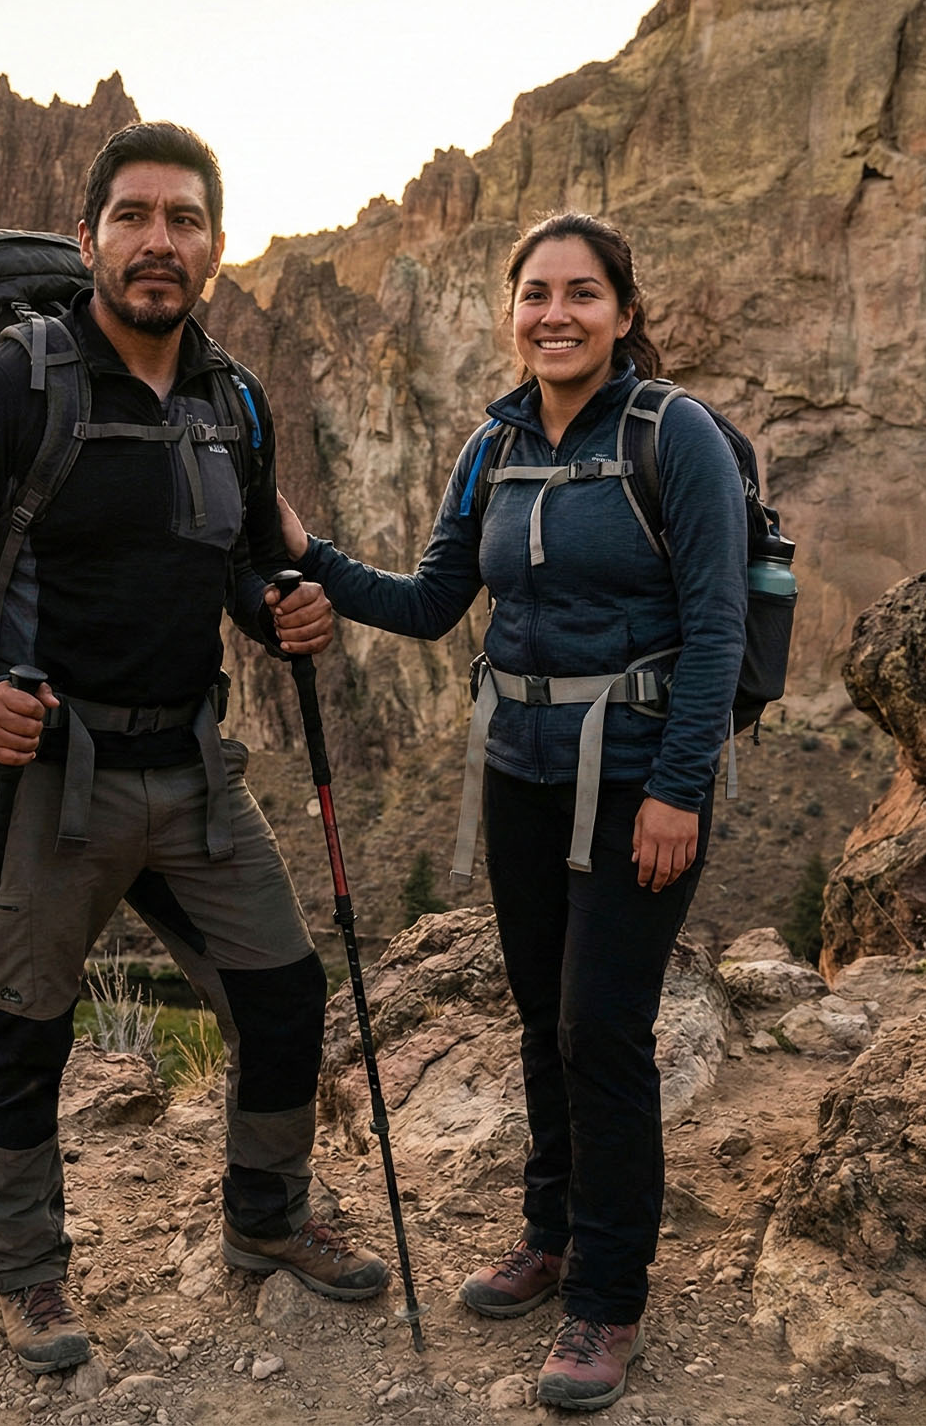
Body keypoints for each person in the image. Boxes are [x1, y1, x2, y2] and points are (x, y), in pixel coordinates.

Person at [0, 121, 390, 1376]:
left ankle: (264, 1221)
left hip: (192, 768)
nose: (157, 242)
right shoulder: (13, 385)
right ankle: (29, 1274)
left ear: (213, 247)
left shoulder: (231, 401)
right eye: (133, 217)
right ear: (88, 238)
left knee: (283, 997)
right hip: (50, 774)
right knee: (25, 1031)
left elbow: (237, 567)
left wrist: (282, 609)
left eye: (182, 220)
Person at [278, 212, 745, 1411]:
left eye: (581, 293)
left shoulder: (671, 433)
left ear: (622, 313)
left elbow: (716, 629)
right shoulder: (490, 443)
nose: (555, 313)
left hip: (638, 776)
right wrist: (311, 552)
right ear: (510, 311)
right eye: (534, 293)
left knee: (601, 1025)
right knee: (540, 1015)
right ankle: (547, 1235)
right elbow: (435, 599)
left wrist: (677, 790)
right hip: (520, 771)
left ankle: (604, 1292)